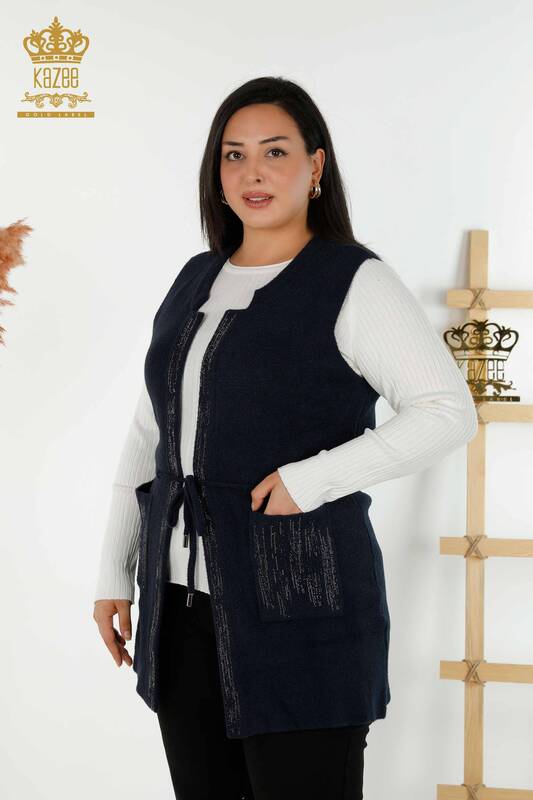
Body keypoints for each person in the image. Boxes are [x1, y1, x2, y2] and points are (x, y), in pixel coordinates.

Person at [93, 76, 478, 800]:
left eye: (275, 152)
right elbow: (150, 430)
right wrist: (115, 571)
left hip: (305, 615)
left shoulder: (352, 281)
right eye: (233, 155)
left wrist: (312, 479)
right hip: (180, 611)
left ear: (316, 166)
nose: (253, 173)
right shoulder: (195, 279)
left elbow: (446, 410)